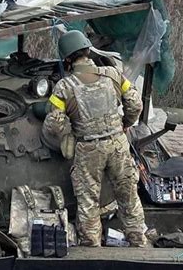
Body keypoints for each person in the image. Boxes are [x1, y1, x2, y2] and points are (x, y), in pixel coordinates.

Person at [43, 30, 147, 247]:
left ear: (67, 59)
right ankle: (138, 241)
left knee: (89, 203)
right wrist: (125, 124)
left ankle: (92, 249)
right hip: (118, 144)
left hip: (88, 149)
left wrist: (67, 133)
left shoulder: (64, 86)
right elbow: (136, 104)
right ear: (88, 50)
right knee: (128, 196)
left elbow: (53, 125)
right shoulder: (113, 74)